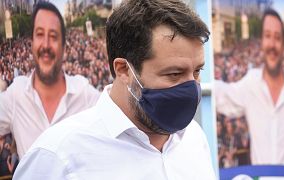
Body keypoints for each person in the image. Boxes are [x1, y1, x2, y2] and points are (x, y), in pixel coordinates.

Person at [13, 0, 216, 179]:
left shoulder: (193, 138)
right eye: (174, 74)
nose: (191, 86)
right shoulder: (57, 157)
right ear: (123, 70)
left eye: (197, 71)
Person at [215, 8, 284, 165]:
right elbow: (221, 95)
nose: (272, 44)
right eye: (267, 36)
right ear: (261, 42)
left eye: (277, 37)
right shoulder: (250, 83)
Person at [0, 1, 100, 159]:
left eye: (53, 36)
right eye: (39, 34)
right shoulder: (15, 96)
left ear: (64, 48)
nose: (46, 45)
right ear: (31, 43)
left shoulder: (84, 94)